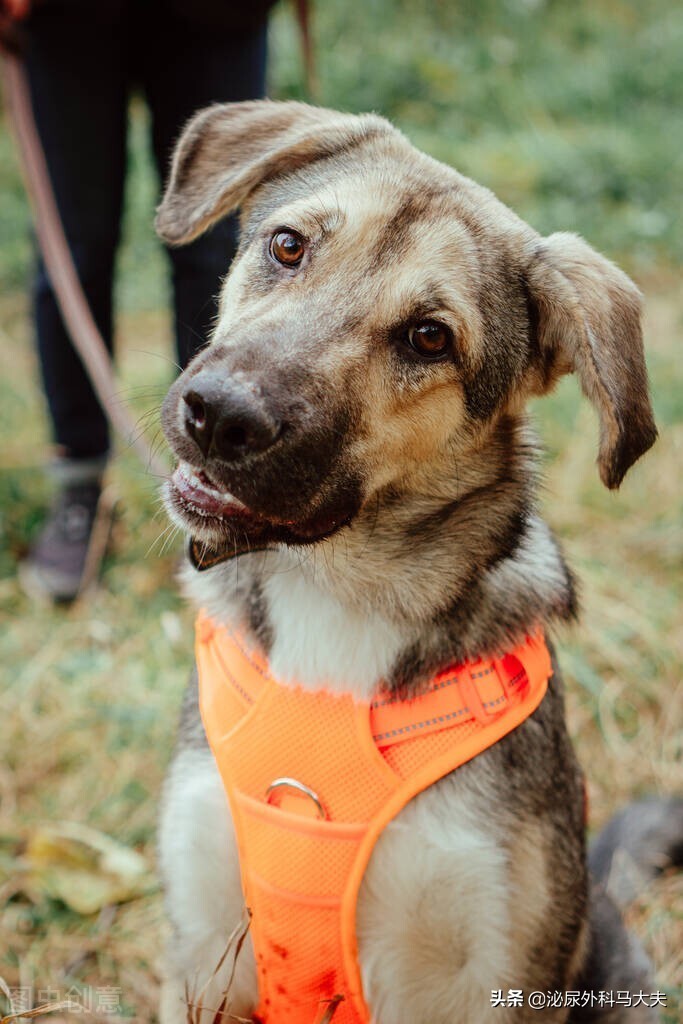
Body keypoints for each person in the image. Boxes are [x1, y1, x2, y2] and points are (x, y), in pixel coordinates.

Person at [2, 0, 275, 601]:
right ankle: (79, 484)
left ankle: (221, 478)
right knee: (71, 248)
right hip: (65, 15)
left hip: (220, 15)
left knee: (215, 243)